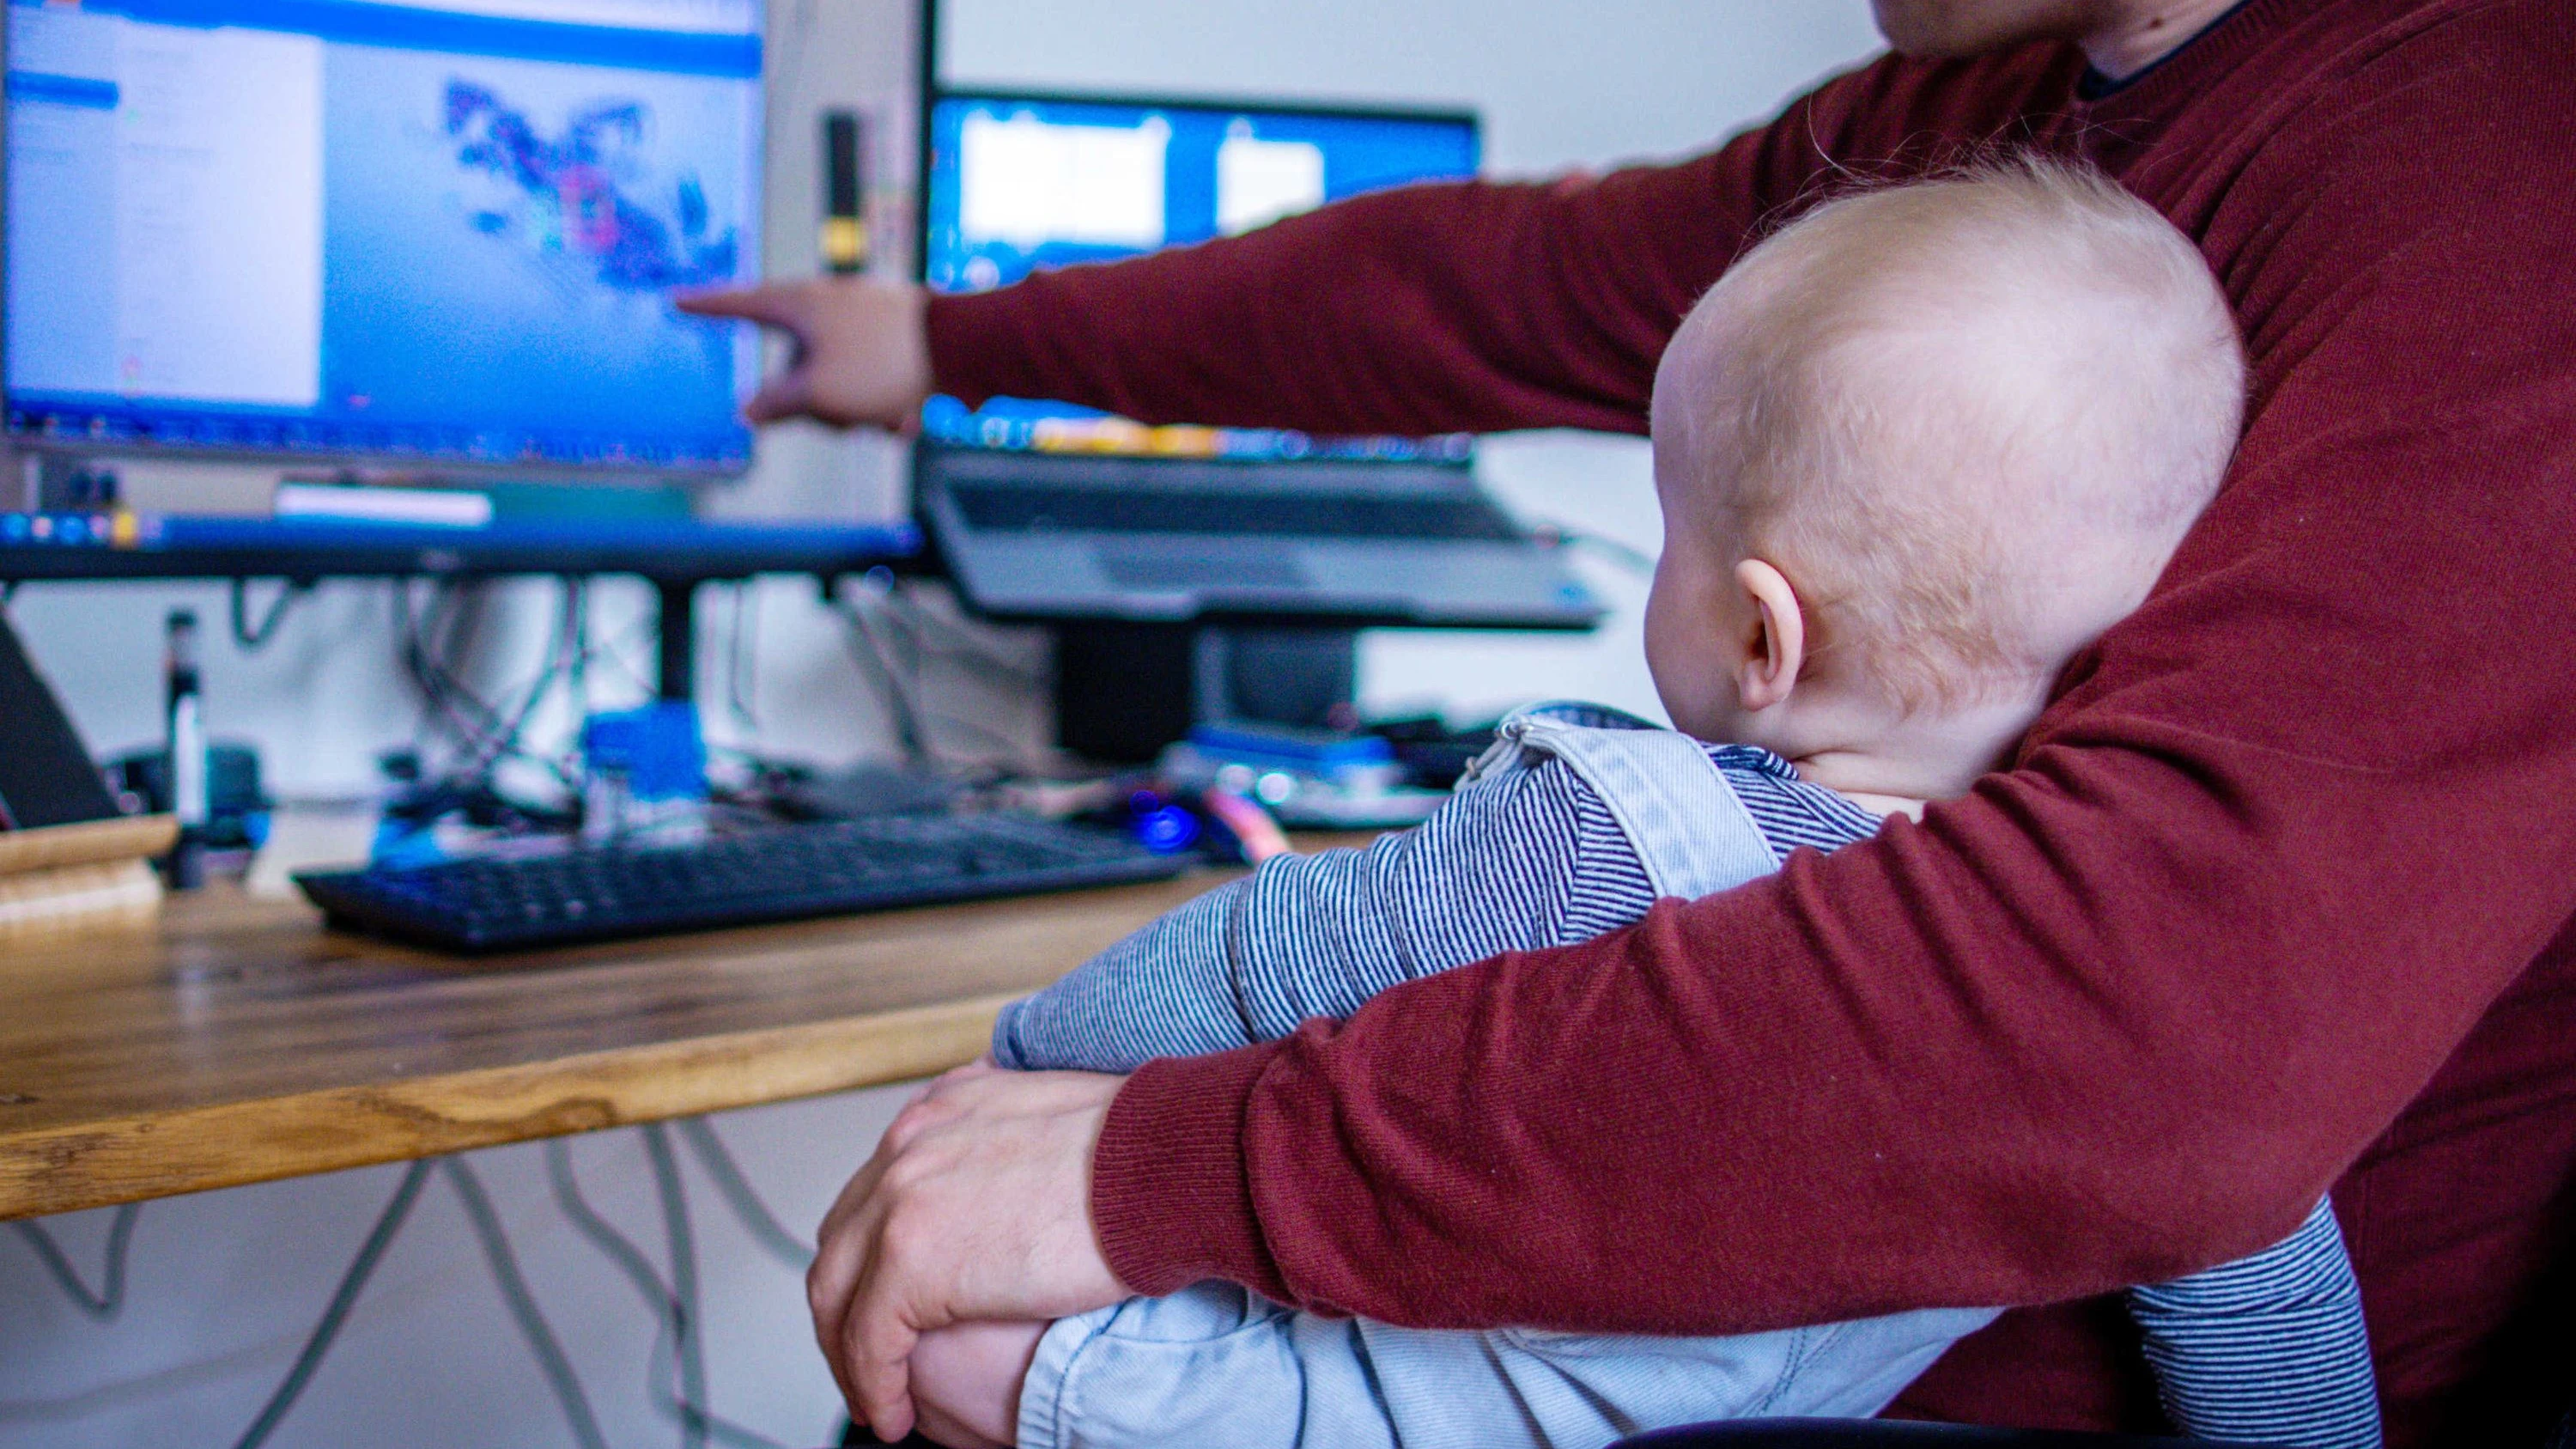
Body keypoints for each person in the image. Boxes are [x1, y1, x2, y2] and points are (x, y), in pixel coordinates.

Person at [687, 0, 2576, 1441]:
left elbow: (2158, 1053)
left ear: (1757, 636)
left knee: (972, 1367)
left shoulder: (2495, 156)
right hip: (1829, 1337)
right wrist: (949, 347)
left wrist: (1127, 1151)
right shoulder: (1980, 116)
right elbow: (1481, 292)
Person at [896, 162, 2379, 1449]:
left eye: (1673, 526)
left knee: (945, 1340)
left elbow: (1266, 957)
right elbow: (2267, 1296)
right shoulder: (2131, 995)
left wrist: (1032, 1061)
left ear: (1759, 639)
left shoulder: (1617, 832)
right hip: (1748, 1427)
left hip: (1390, 1401)